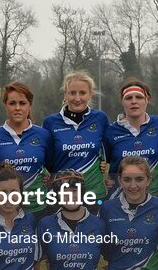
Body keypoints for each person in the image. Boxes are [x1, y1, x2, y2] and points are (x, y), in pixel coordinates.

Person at [42, 71, 109, 213]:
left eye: (82, 93)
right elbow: (46, 160)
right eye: (72, 93)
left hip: (94, 194)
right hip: (61, 196)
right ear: (65, 94)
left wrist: (104, 162)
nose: (77, 98)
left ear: (90, 94)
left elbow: (109, 149)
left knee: (93, 235)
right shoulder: (50, 122)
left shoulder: (100, 118)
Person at [0, 82, 52, 218]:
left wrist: (48, 178)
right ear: (5, 105)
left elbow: (52, 168)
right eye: (12, 103)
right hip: (5, 212)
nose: (17, 108)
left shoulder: (44, 135)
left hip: (38, 209)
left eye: (22, 103)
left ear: (30, 105)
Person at [103, 80, 158, 199]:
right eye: (128, 98)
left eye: (139, 97)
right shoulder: (110, 131)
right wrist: (104, 182)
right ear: (122, 101)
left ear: (147, 99)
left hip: (154, 202)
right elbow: (98, 162)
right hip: (119, 201)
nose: (134, 101)